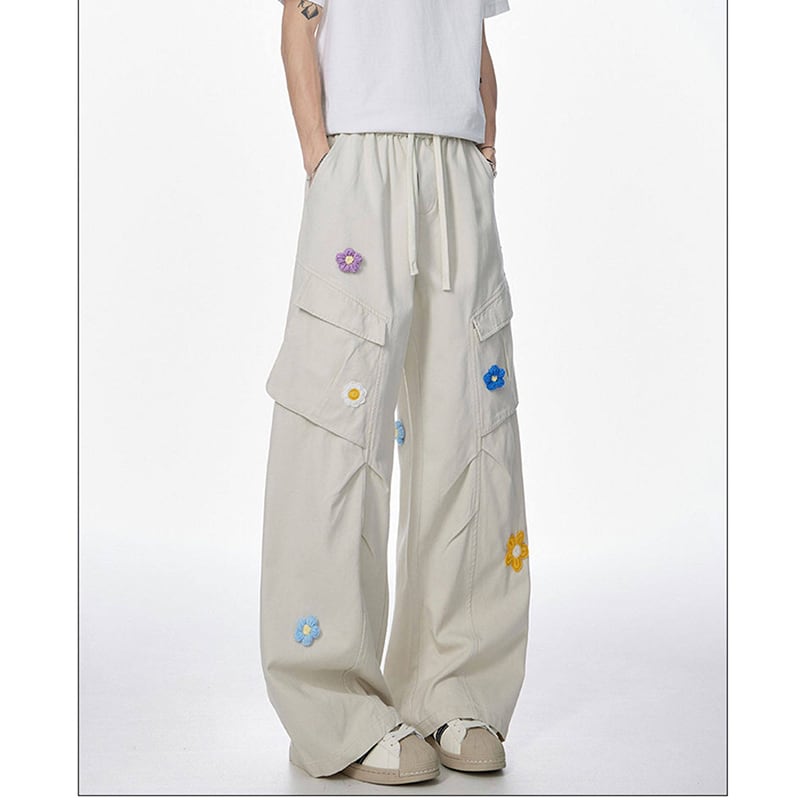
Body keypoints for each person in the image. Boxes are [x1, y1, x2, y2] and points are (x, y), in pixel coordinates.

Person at [259, 0, 530, 786]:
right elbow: (299, 14)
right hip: (358, 157)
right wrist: (319, 156)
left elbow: (466, 28)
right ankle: (331, 703)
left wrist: (483, 140)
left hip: (456, 163)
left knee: (471, 427)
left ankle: (455, 686)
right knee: (336, 430)